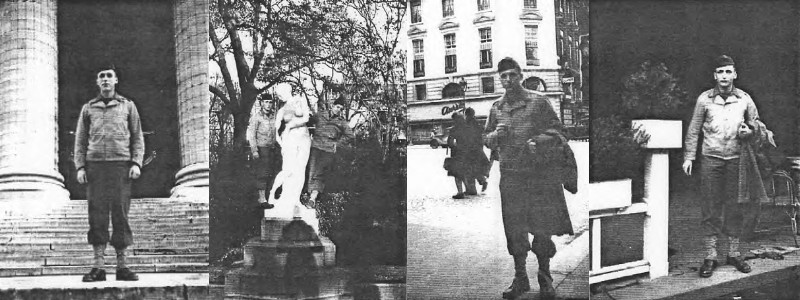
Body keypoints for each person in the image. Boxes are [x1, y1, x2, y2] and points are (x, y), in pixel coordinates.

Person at [484, 57, 573, 300]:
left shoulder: (538, 101)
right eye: (503, 76)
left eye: (513, 74)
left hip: (539, 177)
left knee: (542, 228)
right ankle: (520, 279)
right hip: (510, 177)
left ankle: (545, 278)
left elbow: (559, 131)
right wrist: (495, 136)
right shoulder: (496, 108)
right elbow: (486, 138)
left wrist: (539, 141)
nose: (508, 79)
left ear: (521, 75)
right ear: (499, 79)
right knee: (515, 230)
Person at [683, 55, 758, 278]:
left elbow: (756, 123)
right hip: (711, 159)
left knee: (735, 206)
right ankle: (711, 256)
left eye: (728, 71)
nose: (724, 76)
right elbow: (694, 129)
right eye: (720, 72)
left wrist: (750, 131)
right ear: (714, 75)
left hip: (736, 159)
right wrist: (689, 157)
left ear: (735, 74)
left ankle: (734, 253)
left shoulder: (744, 99)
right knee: (710, 206)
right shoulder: (704, 99)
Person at [74, 66, 144, 282]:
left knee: (120, 215)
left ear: (116, 81)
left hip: (121, 167)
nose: (105, 80)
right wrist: (80, 166)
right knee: (97, 216)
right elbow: (80, 139)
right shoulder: (88, 109)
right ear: (97, 82)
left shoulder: (128, 106)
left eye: (109, 76)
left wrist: (136, 162)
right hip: (95, 168)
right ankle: (99, 267)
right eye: (101, 76)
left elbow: (137, 136)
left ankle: (122, 267)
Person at [306, 96, 354, 207]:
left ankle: (312, 198)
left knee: (319, 173)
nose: (338, 110)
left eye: (341, 109)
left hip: (328, 149)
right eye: (337, 107)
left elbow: (350, 135)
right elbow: (308, 122)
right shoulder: (320, 115)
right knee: (312, 171)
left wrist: (337, 144)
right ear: (332, 106)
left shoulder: (341, 122)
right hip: (316, 147)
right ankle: (310, 195)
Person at [267, 96, 311, 212]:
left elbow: (306, 118)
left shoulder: (300, 102)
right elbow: (275, 131)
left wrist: (290, 126)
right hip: (290, 140)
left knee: (300, 171)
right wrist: (282, 143)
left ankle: (296, 199)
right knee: (288, 170)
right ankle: (273, 192)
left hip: (304, 139)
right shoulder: (282, 111)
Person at [247, 100, 279, 209]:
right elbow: (251, 134)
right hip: (262, 148)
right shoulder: (257, 117)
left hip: (272, 148)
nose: (269, 104)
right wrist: (254, 150)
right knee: (262, 174)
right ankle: (261, 199)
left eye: (270, 102)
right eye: (266, 102)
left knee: (272, 173)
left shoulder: (274, 116)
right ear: (261, 103)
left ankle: (269, 198)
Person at [463, 107, 489, 193]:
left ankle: (472, 189)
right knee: (475, 168)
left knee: (469, 169)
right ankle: (482, 181)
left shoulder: (466, 124)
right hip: (478, 149)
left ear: (466, 114)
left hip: (470, 149)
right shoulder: (477, 124)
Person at [446, 112, 468, 199]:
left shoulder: (454, 129)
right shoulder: (467, 128)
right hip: (466, 153)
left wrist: (454, 146)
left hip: (457, 153)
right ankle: (468, 189)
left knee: (457, 173)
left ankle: (460, 192)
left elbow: (450, 142)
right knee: (463, 172)